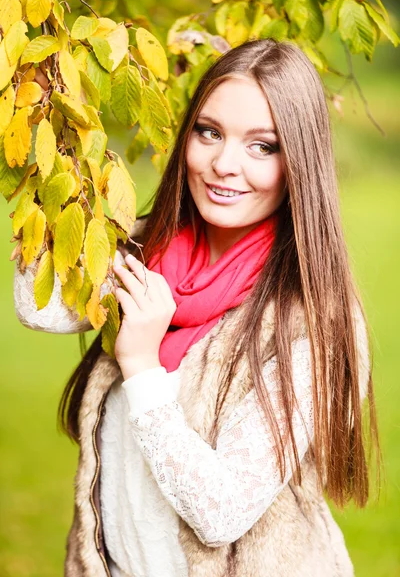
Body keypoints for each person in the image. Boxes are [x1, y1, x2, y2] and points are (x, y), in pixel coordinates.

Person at [13, 38, 380, 577]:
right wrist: (49, 147)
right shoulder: (145, 250)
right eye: (209, 132)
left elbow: (220, 512)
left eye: (263, 146)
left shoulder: (314, 323)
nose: (223, 164)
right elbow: (41, 308)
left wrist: (141, 367)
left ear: (300, 162)